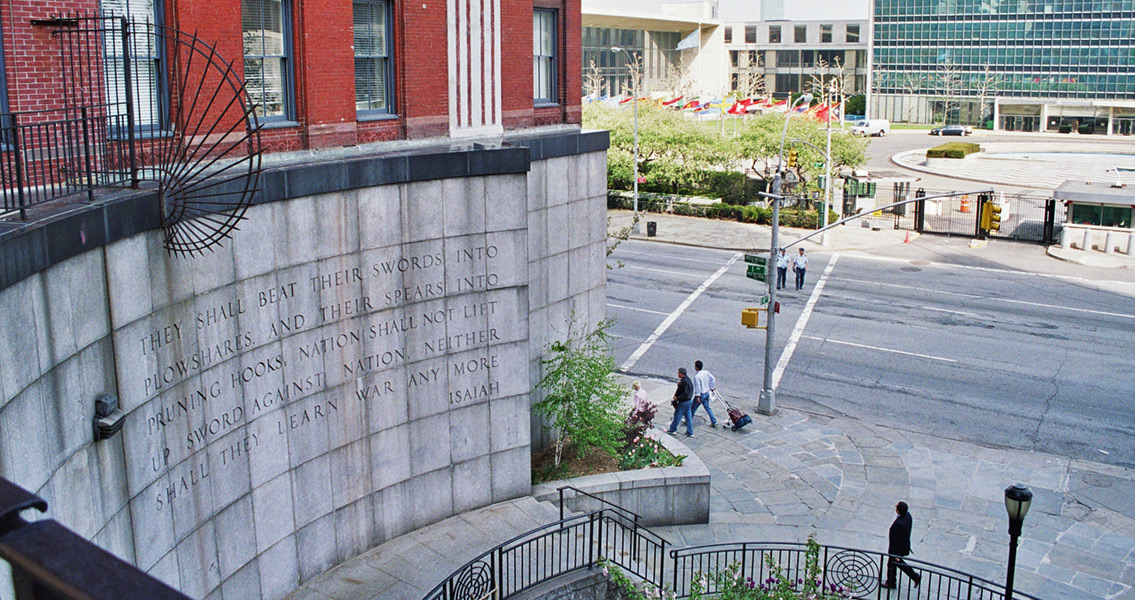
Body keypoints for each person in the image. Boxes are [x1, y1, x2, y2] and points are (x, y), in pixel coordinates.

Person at [882, 501, 921, 590]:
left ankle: (914, 576)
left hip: (896, 549)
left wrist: (896, 554)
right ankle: (891, 582)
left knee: (896, 563)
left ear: (899, 511)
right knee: (893, 564)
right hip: (902, 546)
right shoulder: (907, 516)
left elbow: (898, 540)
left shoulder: (899, 525)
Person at [666, 367, 695, 437]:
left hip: (683, 402)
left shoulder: (683, 382)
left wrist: (677, 398)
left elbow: (683, 393)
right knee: (688, 417)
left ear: (681, 374)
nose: (678, 374)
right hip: (689, 401)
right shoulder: (688, 380)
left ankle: (672, 429)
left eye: (678, 373)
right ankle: (690, 431)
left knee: (677, 415)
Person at [690, 360, 719, 427]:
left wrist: (697, 396)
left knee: (693, 408)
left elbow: (698, 387)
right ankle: (714, 421)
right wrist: (711, 387)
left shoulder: (697, 377)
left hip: (701, 394)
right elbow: (713, 379)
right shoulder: (706, 372)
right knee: (707, 407)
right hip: (706, 393)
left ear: (696, 367)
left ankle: (689, 420)